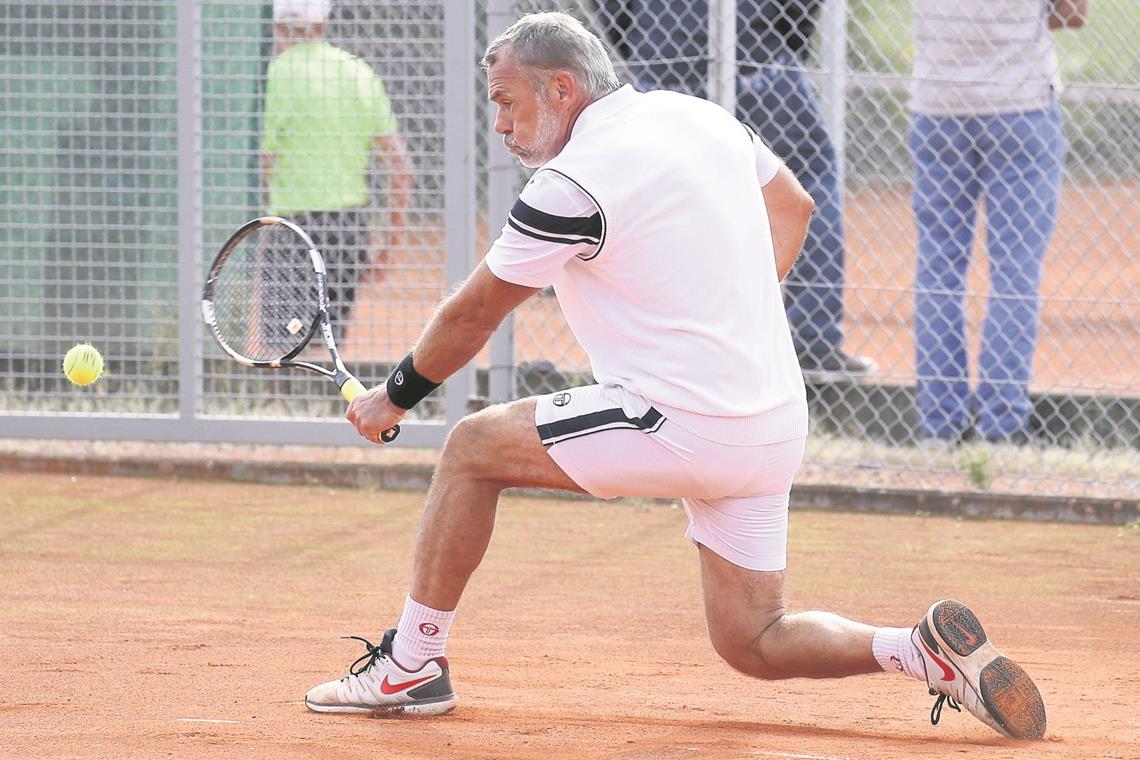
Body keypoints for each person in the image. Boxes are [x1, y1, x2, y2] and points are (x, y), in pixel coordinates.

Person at [303, 12, 1046, 740]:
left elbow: (472, 315)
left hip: (681, 423)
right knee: (752, 640)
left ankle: (410, 664)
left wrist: (390, 396)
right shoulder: (700, 118)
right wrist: (733, 319)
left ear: (561, 88)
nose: (499, 125)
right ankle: (916, 649)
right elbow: (794, 204)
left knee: (471, 448)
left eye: (505, 101)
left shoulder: (568, 185)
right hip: (773, 425)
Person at [606, 0, 875, 378]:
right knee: (809, 172)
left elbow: (611, 9)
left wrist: (640, 40)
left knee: (665, 198)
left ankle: (669, 344)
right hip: (757, 56)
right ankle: (814, 338)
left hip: (664, 56)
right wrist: (781, 38)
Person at [909, 0, 1087, 443]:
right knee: (1014, 273)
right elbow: (1073, 13)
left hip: (937, 105)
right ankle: (1002, 425)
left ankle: (940, 426)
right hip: (1019, 104)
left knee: (938, 271)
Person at [262, 0, 411, 334]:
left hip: (289, 228)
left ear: (277, 27)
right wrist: (389, 243)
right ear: (322, 24)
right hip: (346, 227)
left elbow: (264, 162)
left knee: (283, 346)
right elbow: (400, 165)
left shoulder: (274, 74)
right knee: (328, 342)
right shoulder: (359, 71)